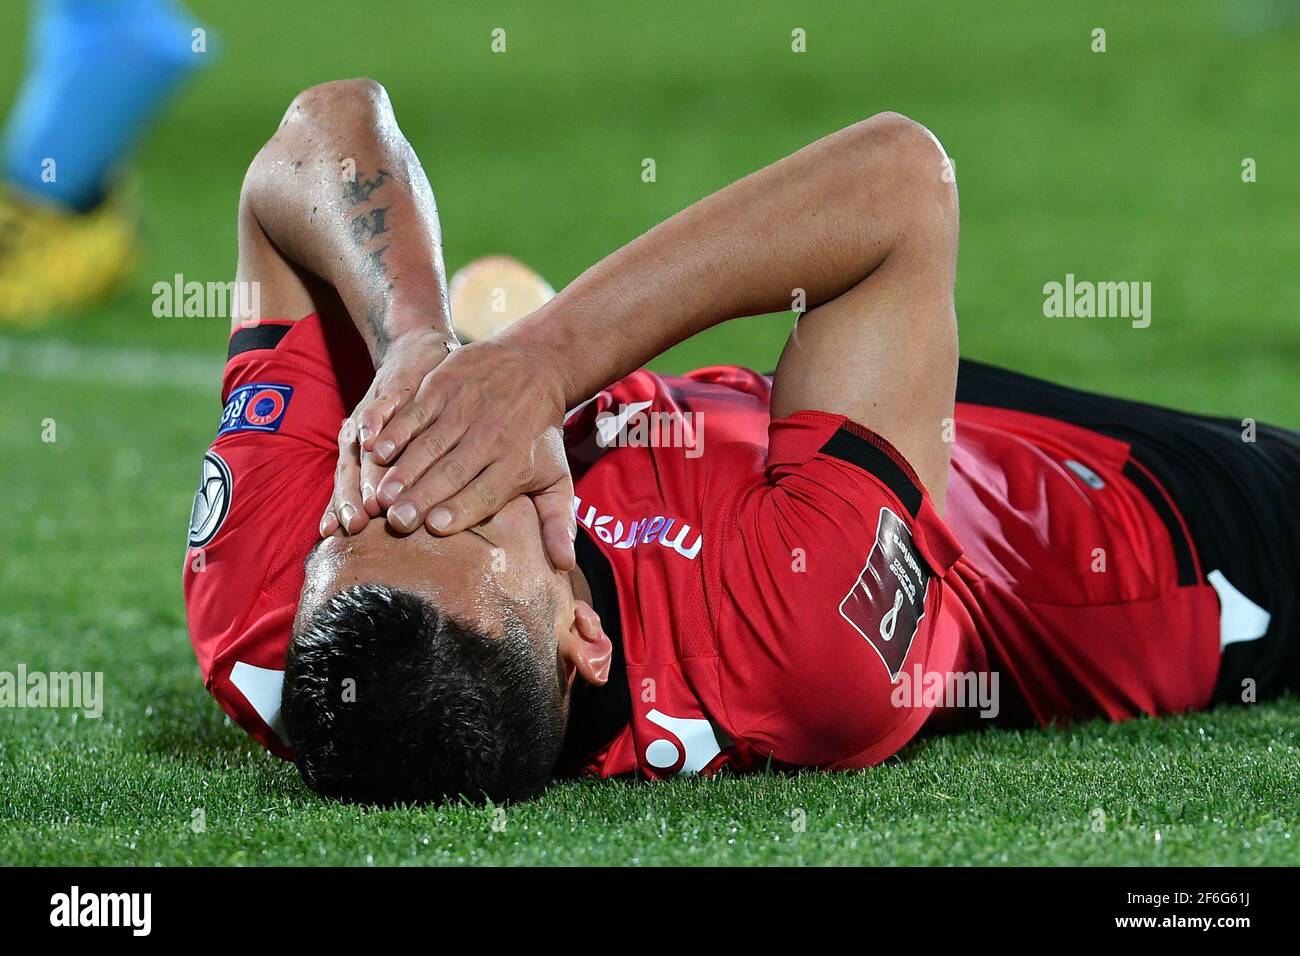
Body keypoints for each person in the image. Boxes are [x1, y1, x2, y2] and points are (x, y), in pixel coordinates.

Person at [183, 79, 1298, 804]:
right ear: (584, 638)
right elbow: (900, 182)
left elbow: (314, 133)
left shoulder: (266, 607)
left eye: (367, 503)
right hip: (1125, 533)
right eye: (463, 502)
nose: (421, 464)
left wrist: (412, 343)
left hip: (789, 424)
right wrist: (540, 361)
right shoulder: (791, 644)